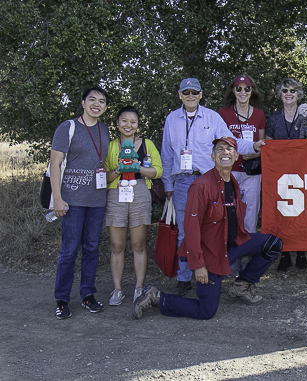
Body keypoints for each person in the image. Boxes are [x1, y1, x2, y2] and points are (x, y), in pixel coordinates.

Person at [133, 137, 283, 320]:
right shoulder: (200, 185)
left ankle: (241, 286)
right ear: (212, 156)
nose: (225, 152)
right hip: (211, 254)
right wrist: (199, 265)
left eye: (230, 149)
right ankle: (157, 297)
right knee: (206, 311)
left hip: (234, 244)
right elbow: (191, 228)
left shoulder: (233, 182)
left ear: (236, 157)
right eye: (220, 149)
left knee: (273, 244)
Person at [161, 78, 265, 296]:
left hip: (209, 180)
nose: (190, 96)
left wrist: (254, 145)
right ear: (180, 95)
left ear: (200, 95)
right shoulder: (171, 119)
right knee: (184, 230)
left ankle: (211, 272)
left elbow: (232, 141)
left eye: (194, 92)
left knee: (212, 229)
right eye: (186, 92)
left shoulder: (212, 117)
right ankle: (183, 278)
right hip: (181, 182)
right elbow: (167, 154)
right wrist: (167, 185)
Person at [50, 86, 110, 319]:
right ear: (83, 103)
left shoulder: (104, 130)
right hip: (71, 200)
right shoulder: (68, 127)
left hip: (97, 199)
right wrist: (58, 197)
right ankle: (62, 300)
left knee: (92, 249)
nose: (97, 104)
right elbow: (55, 164)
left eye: (102, 101)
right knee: (69, 250)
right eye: (92, 99)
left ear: (105, 107)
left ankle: (87, 295)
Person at [104, 106, 163, 306]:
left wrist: (138, 168)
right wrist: (119, 169)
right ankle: (117, 289)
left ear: (138, 124)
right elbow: (104, 177)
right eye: (124, 121)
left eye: (133, 121)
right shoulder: (111, 146)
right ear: (118, 123)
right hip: (116, 193)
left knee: (139, 244)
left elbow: (158, 171)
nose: (128, 125)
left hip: (139, 193)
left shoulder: (147, 144)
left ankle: (139, 288)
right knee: (117, 246)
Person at [266, 78, 307, 273]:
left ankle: (301, 253)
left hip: (301, 171)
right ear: (280, 94)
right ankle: (284, 254)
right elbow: (268, 145)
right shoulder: (274, 118)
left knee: (301, 212)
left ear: (298, 94)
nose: (289, 93)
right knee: (281, 212)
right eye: (285, 90)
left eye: (293, 91)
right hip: (278, 173)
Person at [218, 74, 266, 234]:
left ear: (252, 91)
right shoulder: (223, 113)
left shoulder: (259, 115)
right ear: (233, 91)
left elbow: (262, 144)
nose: (243, 92)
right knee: (228, 211)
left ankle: (247, 251)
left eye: (247, 88)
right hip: (229, 170)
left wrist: (255, 154)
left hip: (251, 171)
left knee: (250, 212)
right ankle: (230, 250)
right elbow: (221, 142)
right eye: (239, 89)